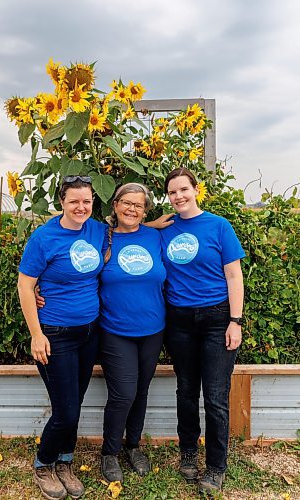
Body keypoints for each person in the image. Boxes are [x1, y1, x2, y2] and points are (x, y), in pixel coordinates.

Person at [18, 175, 105, 500]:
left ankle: (65, 461)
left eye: (87, 201)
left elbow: (129, 226)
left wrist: (156, 221)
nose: (81, 207)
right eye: (74, 201)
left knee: (75, 402)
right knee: (66, 410)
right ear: (62, 203)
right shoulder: (45, 238)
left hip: (89, 332)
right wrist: (36, 334)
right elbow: (26, 285)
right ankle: (43, 463)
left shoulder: (96, 230)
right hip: (55, 335)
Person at [159, 168, 245, 495]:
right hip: (178, 321)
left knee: (215, 396)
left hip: (217, 320)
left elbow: (234, 276)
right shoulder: (165, 228)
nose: (179, 196)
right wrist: (154, 223)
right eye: (172, 192)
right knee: (185, 391)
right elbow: (129, 230)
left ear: (196, 190)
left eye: (184, 189)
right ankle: (188, 451)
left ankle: (216, 465)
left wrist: (235, 321)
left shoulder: (219, 226)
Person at [98, 183, 166, 483]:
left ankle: (133, 446)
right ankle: (109, 452)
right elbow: (69, 260)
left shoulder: (154, 236)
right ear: (115, 205)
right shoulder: (102, 237)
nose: (132, 209)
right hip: (116, 330)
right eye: (126, 203)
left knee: (140, 391)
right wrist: (38, 287)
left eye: (138, 205)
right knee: (123, 393)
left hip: (153, 329)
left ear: (145, 209)